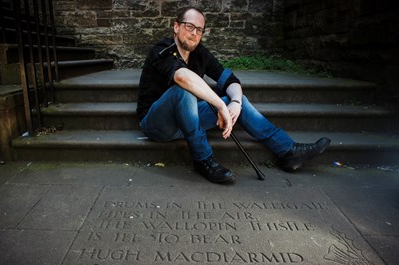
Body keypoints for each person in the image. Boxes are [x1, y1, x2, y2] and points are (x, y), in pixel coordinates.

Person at [137, 6, 330, 184]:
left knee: (235, 98)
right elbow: (183, 78)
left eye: (200, 30)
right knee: (182, 92)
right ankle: (204, 160)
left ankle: (288, 151)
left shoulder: (200, 53)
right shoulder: (162, 51)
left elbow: (230, 80)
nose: (195, 33)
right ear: (176, 27)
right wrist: (220, 106)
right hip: (157, 123)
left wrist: (235, 103)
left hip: (188, 119)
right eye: (189, 27)